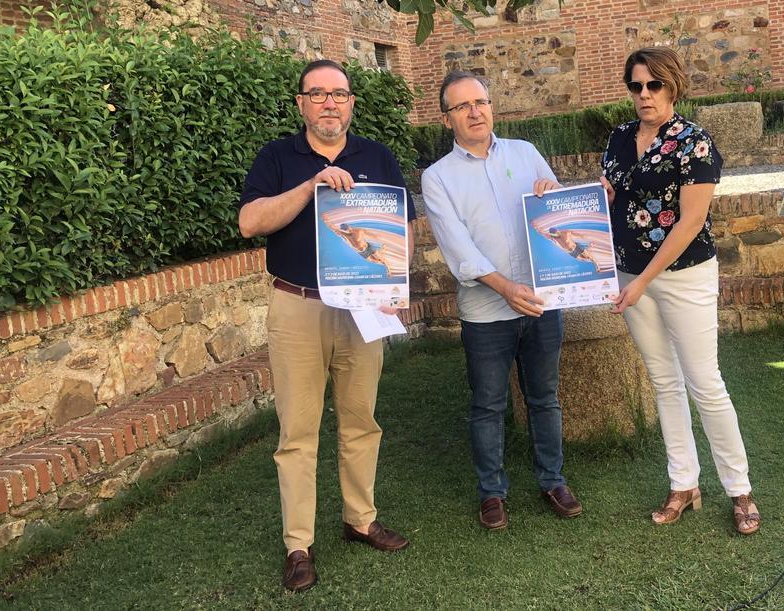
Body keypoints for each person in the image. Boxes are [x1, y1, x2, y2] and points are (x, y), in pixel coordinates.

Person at [238, 59, 416, 592]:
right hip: (299, 306)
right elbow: (251, 222)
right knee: (298, 429)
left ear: (351, 103)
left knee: (361, 419)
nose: (329, 103)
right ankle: (299, 544)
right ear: (301, 104)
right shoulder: (277, 157)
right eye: (317, 94)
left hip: (363, 306)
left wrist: (396, 285)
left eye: (338, 94)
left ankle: (360, 519)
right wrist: (312, 187)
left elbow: (402, 226)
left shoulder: (377, 156)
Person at [599, 47, 760, 536]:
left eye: (654, 85)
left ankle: (740, 490)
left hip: (683, 275)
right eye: (636, 86)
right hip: (630, 276)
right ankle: (683, 483)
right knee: (663, 381)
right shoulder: (619, 138)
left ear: (672, 86)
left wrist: (643, 281)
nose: (644, 95)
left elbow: (691, 222)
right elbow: (607, 202)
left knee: (705, 384)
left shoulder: (696, 143)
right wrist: (592, 198)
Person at [421, 70, 583, 530]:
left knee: (545, 397)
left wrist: (553, 195)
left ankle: (553, 480)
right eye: (462, 106)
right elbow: (459, 249)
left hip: (541, 302)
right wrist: (506, 288)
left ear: (492, 106)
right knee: (488, 404)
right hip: (487, 312)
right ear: (447, 118)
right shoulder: (438, 178)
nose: (475, 112)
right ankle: (492, 493)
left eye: (481, 102)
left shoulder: (525, 153)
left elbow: (556, 212)